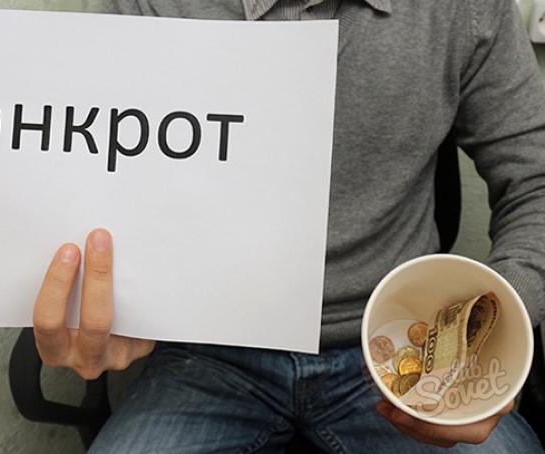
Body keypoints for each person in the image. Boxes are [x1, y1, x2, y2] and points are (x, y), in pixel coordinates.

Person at [33, 0, 545, 452]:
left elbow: (535, 177)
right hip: (210, 351)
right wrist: (114, 302)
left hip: (396, 344)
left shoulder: (461, 9)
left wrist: (498, 331)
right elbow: (102, 177)